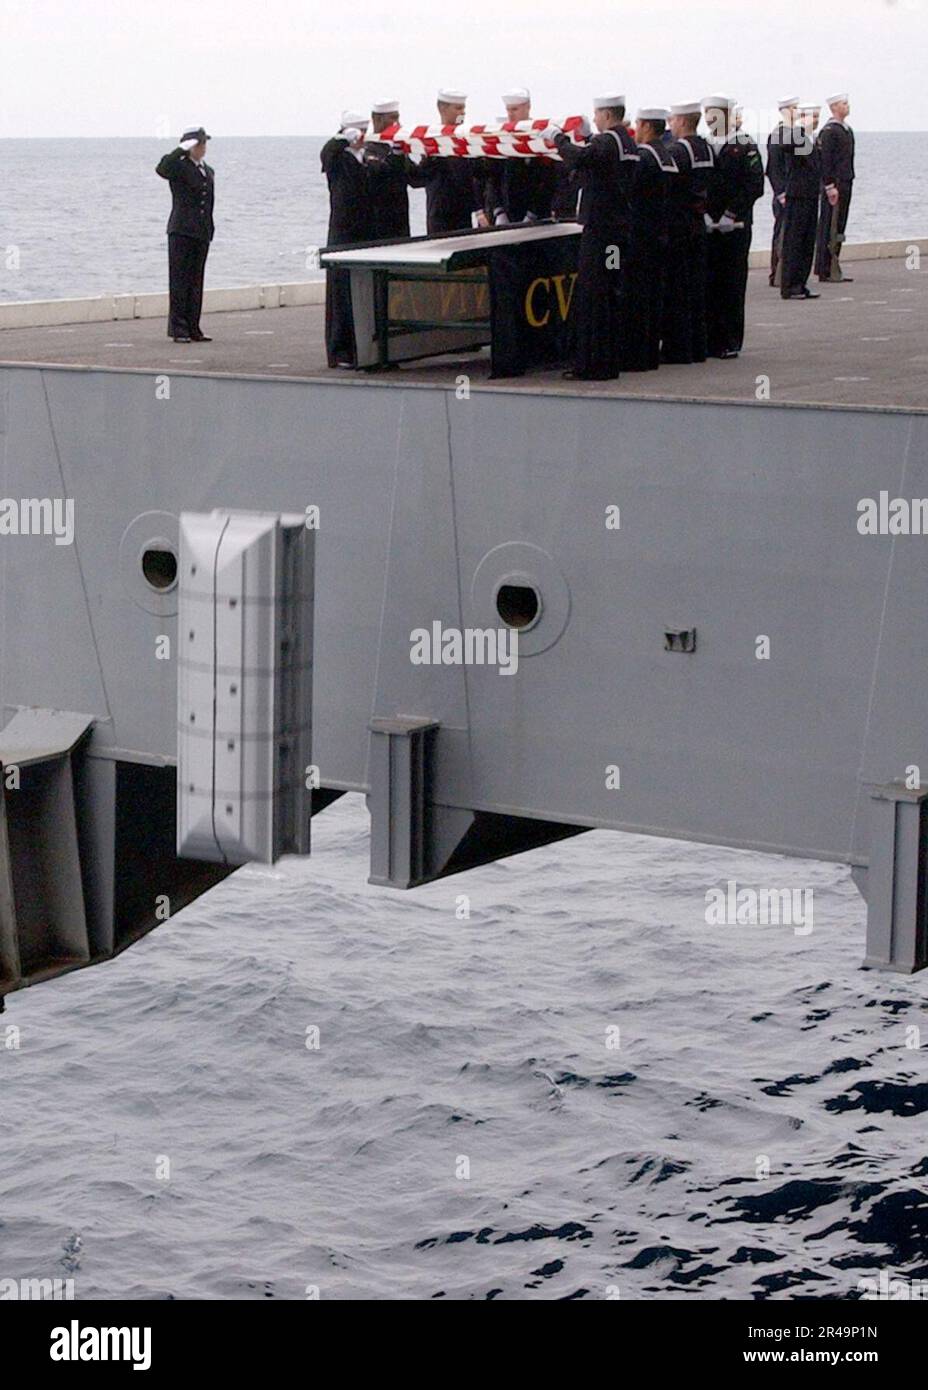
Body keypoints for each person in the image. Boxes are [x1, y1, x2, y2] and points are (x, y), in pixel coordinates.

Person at [549, 94, 639, 380]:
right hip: (617, 234)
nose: (596, 119)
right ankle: (609, 360)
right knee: (611, 290)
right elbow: (599, 161)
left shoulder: (607, 141)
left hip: (600, 233)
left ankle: (592, 363)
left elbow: (580, 158)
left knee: (593, 294)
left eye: (597, 115)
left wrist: (558, 139)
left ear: (607, 115)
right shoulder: (628, 142)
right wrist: (587, 136)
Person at [704, 95, 764, 358]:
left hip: (735, 225)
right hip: (709, 225)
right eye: (707, 115)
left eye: (714, 114)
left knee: (732, 282)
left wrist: (731, 213)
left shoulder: (744, 145)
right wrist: (703, 212)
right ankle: (709, 338)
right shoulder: (706, 145)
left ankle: (729, 340)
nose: (709, 119)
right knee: (710, 282)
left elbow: (754, 185)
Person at [624, 108, 678, 372]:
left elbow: (630, 193)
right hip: (661, 234)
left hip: (641, 235)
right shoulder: (666, 155)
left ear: (646, 126)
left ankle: (635, 355)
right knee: (654, 295)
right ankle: (649, 354)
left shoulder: (645, 157)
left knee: (637, 296)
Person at [663, 101, 716, 364]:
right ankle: (698, 345)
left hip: (678, 224)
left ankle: (678, 348)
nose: (670, 124)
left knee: (677, 288)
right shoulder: (705, 148)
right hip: (697, 222)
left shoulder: (677, 151)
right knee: (696, 287)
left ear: (683, 121)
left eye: (672, 120)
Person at [320, 110, 374, 367]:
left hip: (364, 232)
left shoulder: (366, 157)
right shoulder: (338, 158)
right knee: (340, 294)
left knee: (361, 295)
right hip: (343, 232)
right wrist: (342, 138)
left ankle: (359, 347)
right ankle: (339, 350)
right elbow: (326, 153)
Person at [155, 126, 215, 343]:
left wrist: (209, 228)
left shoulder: (208, 171)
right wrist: (181, 149)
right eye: (198, 144)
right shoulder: (178, 167)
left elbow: (208, 203)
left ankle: (193, 327)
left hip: (201, 232)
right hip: (181, 231)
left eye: (204, 143)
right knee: (180, 281)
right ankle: (179, 328)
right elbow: (162, 168)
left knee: (196, 281)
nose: (203, 148)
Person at [406, 89, 489, 234]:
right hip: (440, 215)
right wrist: (430, 156)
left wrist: (478, 209)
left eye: (463, 108)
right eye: (458, 108)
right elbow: (419, 178)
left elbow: (474, 176)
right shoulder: (433, 140)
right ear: (442, 109)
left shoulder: (465, 140)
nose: (462, 113)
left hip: (463, 214)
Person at [486, 87, 559, 225]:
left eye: (515, 109)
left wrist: (533, 213)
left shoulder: (539, 136)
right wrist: (499, 211)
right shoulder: (503, 138)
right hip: (508, 214)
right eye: (508, 110)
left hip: (537, 215)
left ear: (528, 107)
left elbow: (548, 180)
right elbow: (493, 177)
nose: (510, 115)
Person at [779, 103, 822, 300]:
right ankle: (790, 285)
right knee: (794, 241)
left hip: (811, 195)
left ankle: (801, 282)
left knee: (807, 241)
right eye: (812, 117)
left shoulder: (812, 139)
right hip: (798, 195)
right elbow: (785, 146)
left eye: (817, 117)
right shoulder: (796, 137)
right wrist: (799, 128)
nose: (815, 120)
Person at [815, 92, 856, 284]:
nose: (847, 106)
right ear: (834, 108)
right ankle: (825, 266)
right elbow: (826, 161)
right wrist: (829, 185)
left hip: (846, 181)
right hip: (835, 184)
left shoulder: (846, 130)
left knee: (839, 225)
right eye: (843, 104)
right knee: (829, 224)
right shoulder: (830, 131)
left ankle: (834, 262)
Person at [364, 100, 411, 240]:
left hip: (400, 221)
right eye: (393, 118)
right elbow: (380, 173)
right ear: (377, 119)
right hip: (377, 222)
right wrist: (396, 155)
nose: (397, 123)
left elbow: (416, 178)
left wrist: (430, 158)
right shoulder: (367, 149)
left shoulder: (394, 148)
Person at [766, 96, 798, 288]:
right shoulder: (778, 135)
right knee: (782, 233)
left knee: (792, 234)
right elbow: (774, 168)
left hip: (796, 192)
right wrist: (781, 193)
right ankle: (777, 272)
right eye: (794, 108)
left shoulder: (795, 135)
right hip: (785, 193)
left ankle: (789, 271)